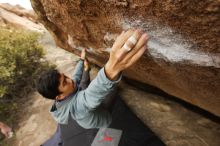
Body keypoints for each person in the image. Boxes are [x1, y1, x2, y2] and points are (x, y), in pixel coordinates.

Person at [37, 29, 148, 129]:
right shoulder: (78, 108)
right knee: (111, 97)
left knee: (106, 88)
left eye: (65, 76)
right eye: (65, 82)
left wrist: (81, 60)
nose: (69, 80)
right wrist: (111, 69)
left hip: (88, 109)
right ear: (59, 96)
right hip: (102, 119)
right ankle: (110, 123)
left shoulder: (62, 95)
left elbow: (75, 78)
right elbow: (89, 95)